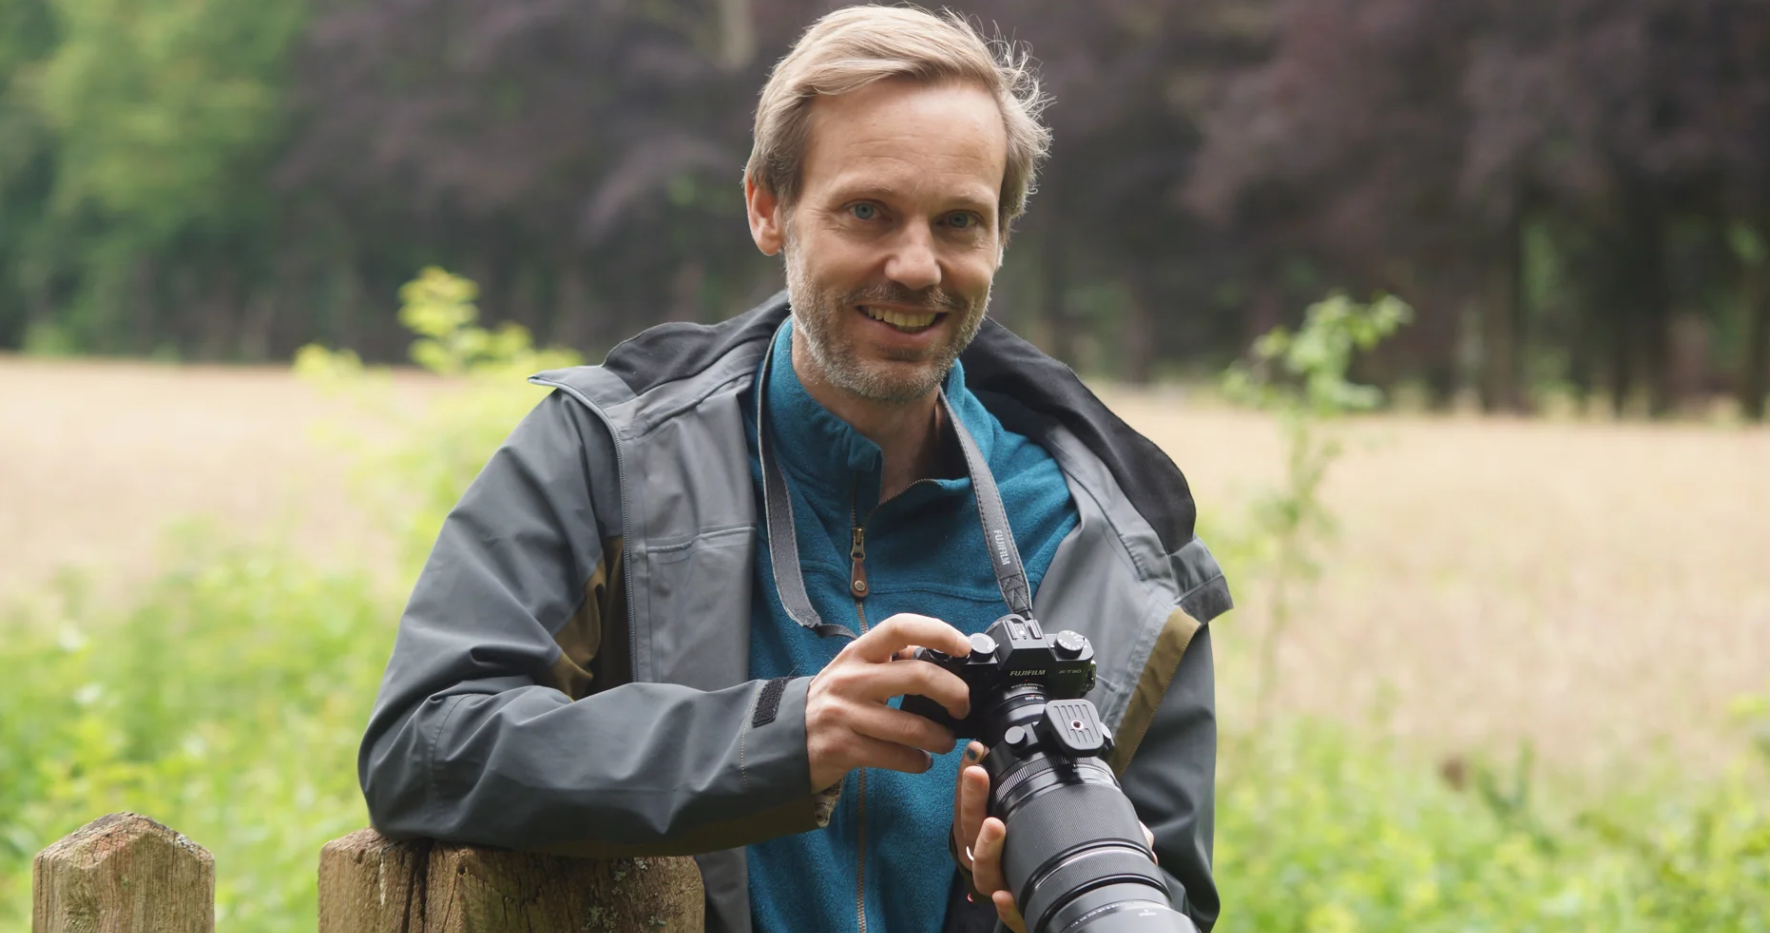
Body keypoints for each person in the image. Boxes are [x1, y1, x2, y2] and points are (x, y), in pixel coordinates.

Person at [358, 7, 1231, 933]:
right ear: (767, 209)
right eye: (868, 211)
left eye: (959, 222)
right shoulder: (610, 457)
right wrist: (779, 738)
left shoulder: (1114, 547)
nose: (915, 265)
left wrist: (1032, 906)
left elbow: (1161, 902)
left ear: (1002, 237)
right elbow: (428, 743)